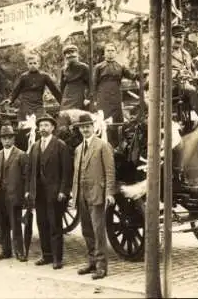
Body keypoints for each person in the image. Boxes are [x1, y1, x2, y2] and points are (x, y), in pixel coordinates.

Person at [72, 114, 115, 280]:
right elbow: (76, 173)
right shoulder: (77, 149)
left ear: (93, 127)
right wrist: (74, 194)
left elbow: (110, 171)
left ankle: (101, 267)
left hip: (97, 193)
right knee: (86, 230)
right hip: (82, 195)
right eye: (81, 127)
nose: (84, 129)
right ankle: (91, 262)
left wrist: (109, 192)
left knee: (98, 231)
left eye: (87, 126)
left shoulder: (102, 146)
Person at [28, 114, 73, 269]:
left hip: (55, 193)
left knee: (55, 226)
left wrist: (63, 191)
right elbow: (31, 171)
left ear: (53, 128)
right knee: (42, 224)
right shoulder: (34, 146)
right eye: (41, 126)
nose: (43, 129)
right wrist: (30, 190)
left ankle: (57, 258)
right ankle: (46, 255)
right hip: (39, 193)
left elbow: (67, 171)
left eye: (46, 125)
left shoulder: (60, 145)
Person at [0, 125, 29, 262]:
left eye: (9, 138)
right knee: (2, 224)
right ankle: (6, 251)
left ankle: (19, 252)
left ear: (13, 139)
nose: (7, 141)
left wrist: (24, 194)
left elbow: (26, 177)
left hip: (14, 195)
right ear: (1, 140)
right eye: (4, 138)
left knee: (15, 224)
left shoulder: (21, 155)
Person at [92, 43, 139, 147]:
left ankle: (118, 146)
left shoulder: (120, 66)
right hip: (103, 98)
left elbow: (132, 76)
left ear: (116, 53)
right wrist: (94, 100)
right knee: (104, 122)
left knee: (118, 122)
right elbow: (93, 84)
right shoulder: (98, 67)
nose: (110, 53)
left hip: (116, 97)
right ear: (104, 53)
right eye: (108, 50)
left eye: (112, 50)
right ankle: (104, 145)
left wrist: (144, 74)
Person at [164, 24, 198, 125]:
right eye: (176, 37)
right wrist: (177, 73)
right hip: (171, 86)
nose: (178, 39)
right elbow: (159, 71)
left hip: (188, 82)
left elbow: (192, 68)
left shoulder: (185, 53)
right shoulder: (164, 53)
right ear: (169, 38)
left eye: (181, 37)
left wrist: (196, 73)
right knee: (192, 90)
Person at [3, 54, 62, 121]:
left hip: (38, 104)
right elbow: (16, 90)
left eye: (35, 63)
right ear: (27, 65)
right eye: (30, 63)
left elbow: (54, 89)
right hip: (25, 104)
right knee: (25, 125)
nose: (32, 65)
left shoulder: (44, 76)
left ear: (38, 64)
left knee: (40, 122)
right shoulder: (24, 76)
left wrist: (61, 102)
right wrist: (10, 99)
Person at [60, 45, 90, 111]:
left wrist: (87, 98)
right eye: (68, 53)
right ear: (65, 56)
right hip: (66, 96)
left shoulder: (84, 67)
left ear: (77, 54)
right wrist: (63, 98)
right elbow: (62, 86)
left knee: (77, 114)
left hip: (79, 94)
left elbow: (90, 84)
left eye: (72, 52)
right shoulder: (64, 69)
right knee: (65, 114)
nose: (70, 54)